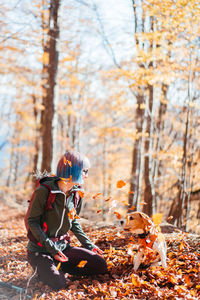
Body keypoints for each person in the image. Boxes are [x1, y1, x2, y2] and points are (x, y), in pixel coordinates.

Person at [27, 150, 108, 290]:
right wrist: (51, 249)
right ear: (74, 170)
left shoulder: (77, 192)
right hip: (40, 250)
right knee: (59, 285)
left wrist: (89, 245)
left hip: (63, 247)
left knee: (100, 265)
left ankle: (59, 267)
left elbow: (74, 222)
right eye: (85, 171)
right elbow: (32, 221)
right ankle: (44, 270)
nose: (87, 176)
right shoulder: (44, 191)